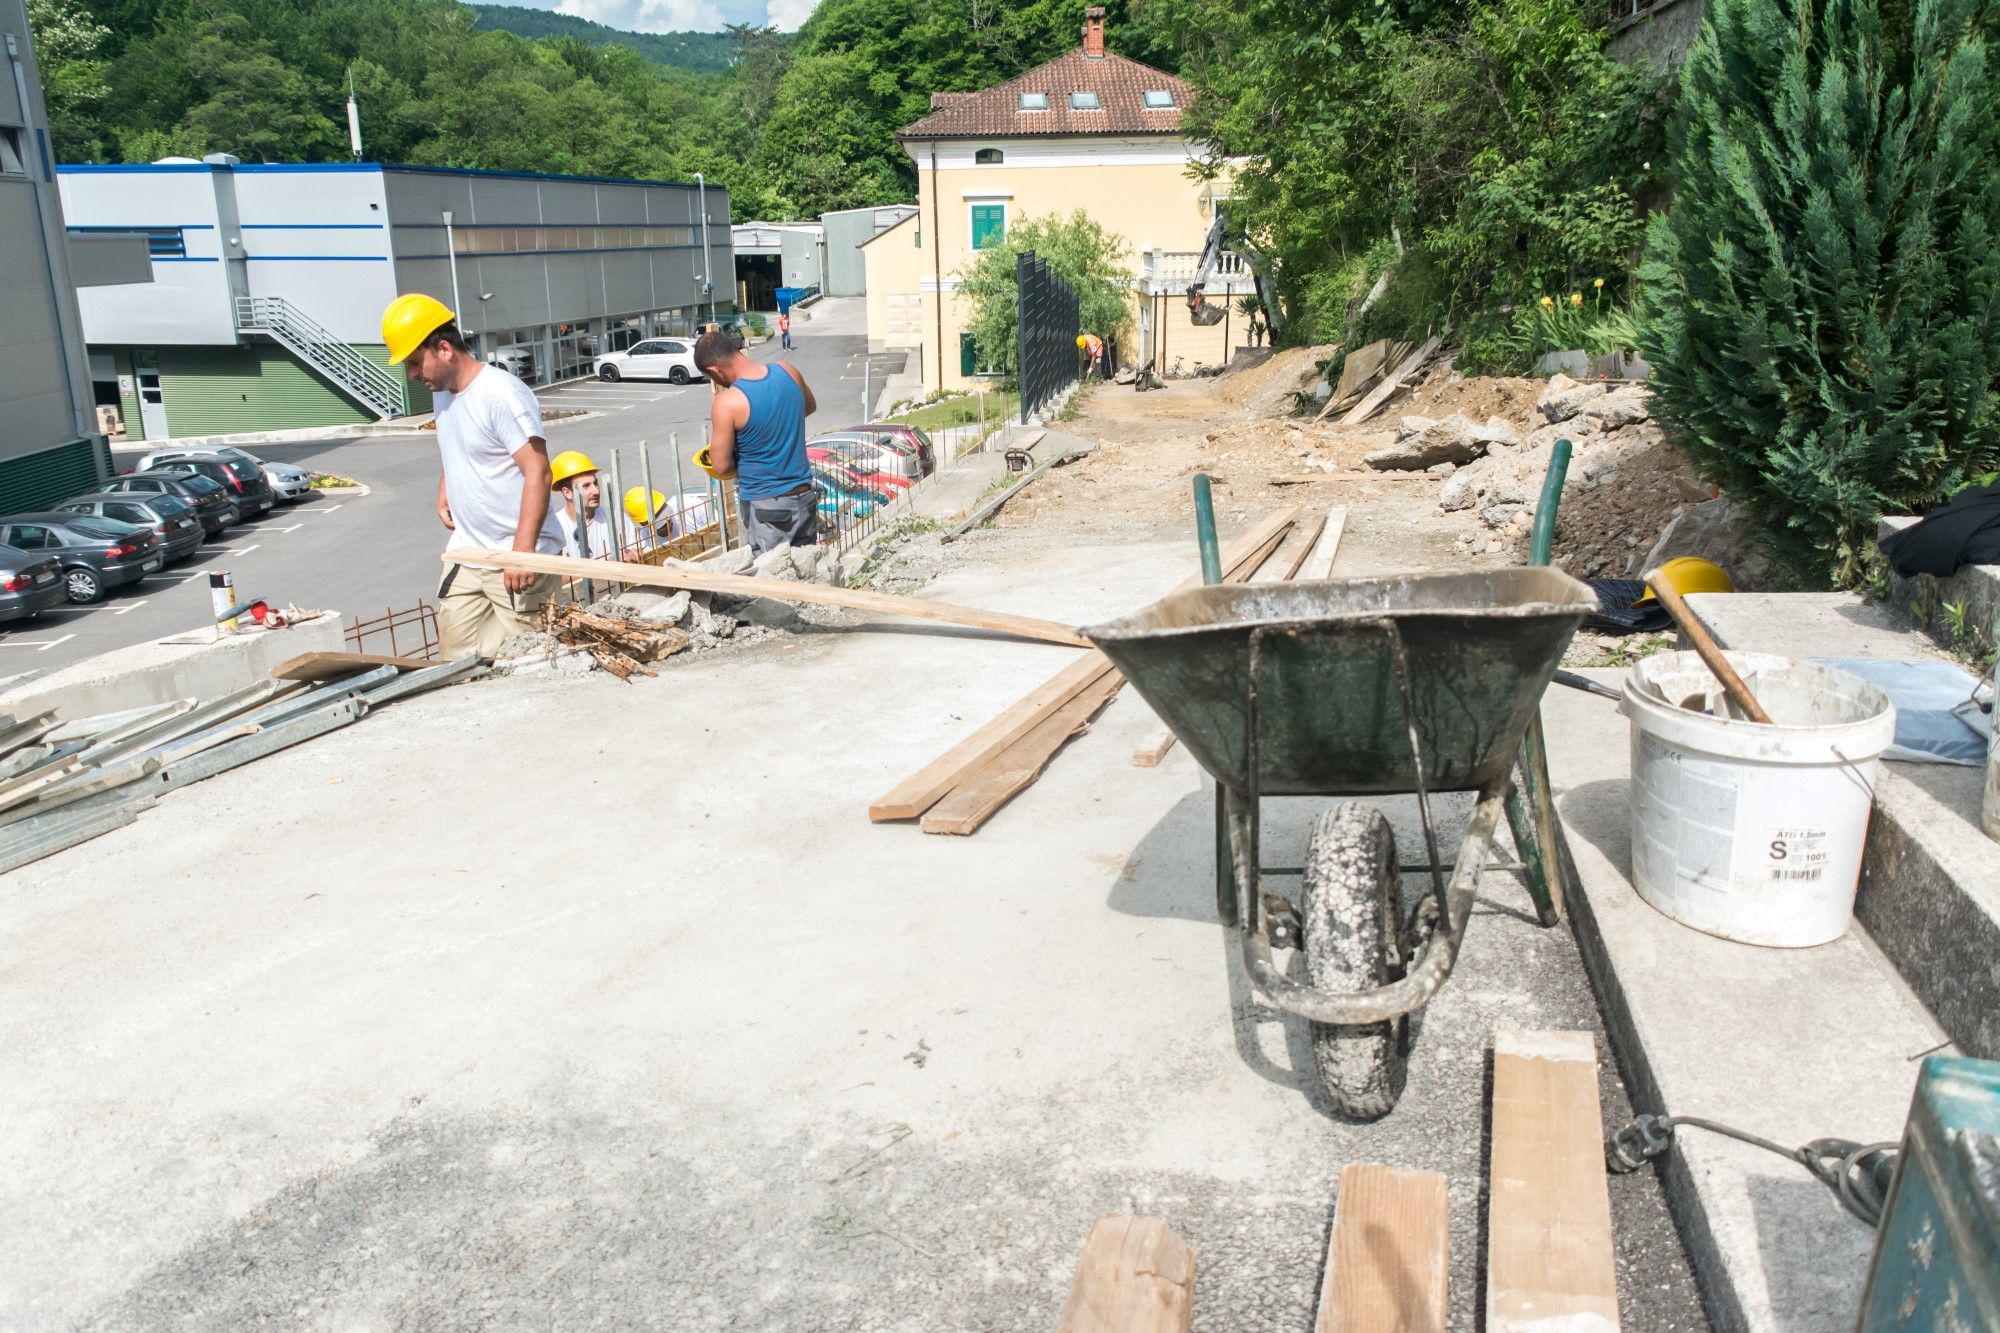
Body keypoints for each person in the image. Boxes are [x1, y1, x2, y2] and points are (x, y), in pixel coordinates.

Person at [383, 292, 565, 659]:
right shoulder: (443, 393)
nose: (413, 374)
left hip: (516, 558)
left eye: (415, 362)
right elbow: (458, 446)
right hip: (468, 553)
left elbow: (539, 472)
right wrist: (445, 488)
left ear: (445, 349)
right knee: (456, 662)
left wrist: (521, 554)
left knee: (529, 660)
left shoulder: (500, 394)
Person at [695, 330, 820, 555]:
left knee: (770, 573)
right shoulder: (788, 370)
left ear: (714, 370)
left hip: (768, 508)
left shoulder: (728, 402)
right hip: (804, 498)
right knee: (806, 567)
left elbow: (721, 466)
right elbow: (809, 407)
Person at [549, 450, 612, 559]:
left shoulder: (612, 517)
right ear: (567, 493)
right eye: (586, 486)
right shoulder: (556, 528)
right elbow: (552, 569)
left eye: (595, 483)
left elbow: (639, 550)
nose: (596, 491)